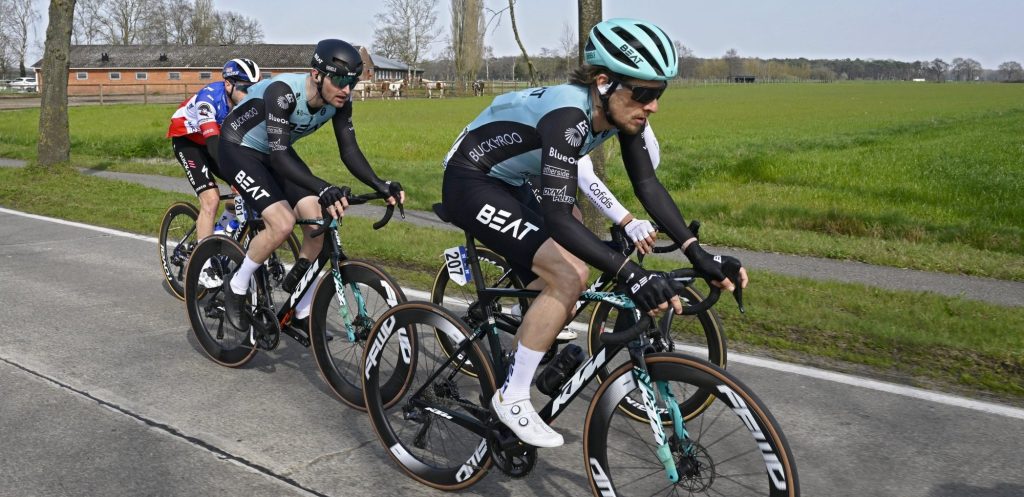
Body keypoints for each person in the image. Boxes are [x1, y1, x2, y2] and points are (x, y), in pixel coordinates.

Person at [440, 18, 748, 448]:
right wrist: (632, 273)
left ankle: (528, 353)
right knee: (570, 274)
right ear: (603, 82)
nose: (653, 105)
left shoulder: (617, 114)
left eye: (659, 93)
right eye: (643, 93)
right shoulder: (568, 117)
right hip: (471, 180)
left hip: (512, 180)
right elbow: (559, 219)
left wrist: (699, 254)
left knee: (570, 269)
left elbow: (648, 187)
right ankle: (512, 397)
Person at [216, 39, 405, 334]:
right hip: (238, 148)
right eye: (340, 80)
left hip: (274, 151)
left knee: (318, 221)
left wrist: (382, 185)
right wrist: (323, 186)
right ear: (317, 75)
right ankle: (237, 286)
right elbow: (279, 157)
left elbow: (349, 151)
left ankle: (300, 309)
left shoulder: (339, 102)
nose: (346, 89)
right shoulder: (283, 93)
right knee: (282, 224)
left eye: (352, 82)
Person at [167, 58, 261, 242]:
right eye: (244, 88)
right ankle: (202, 263)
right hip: (189, 141)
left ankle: (222, 228)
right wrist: (235, 175)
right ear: (228, 84)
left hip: (218, 141)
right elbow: (213, 143)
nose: (249, 93)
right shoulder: (208, 99)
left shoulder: (249, 103)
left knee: (249, 187)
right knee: (211, 200)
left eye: (253, 88)